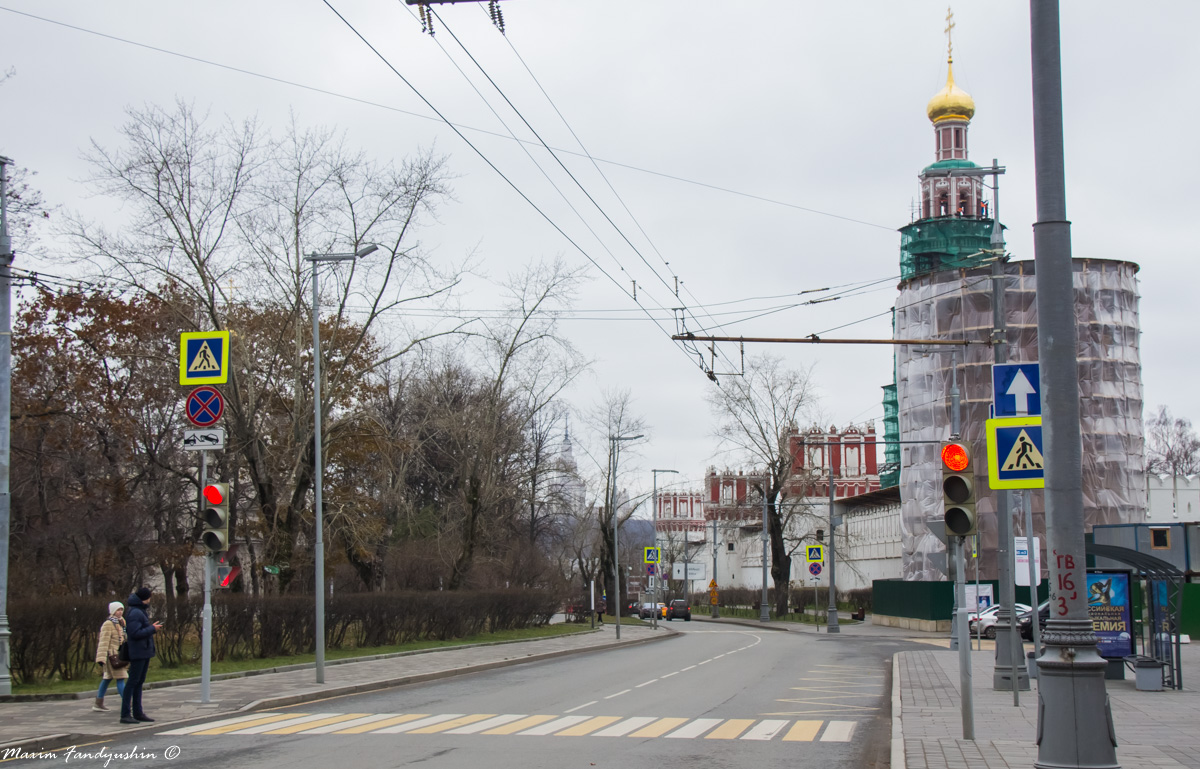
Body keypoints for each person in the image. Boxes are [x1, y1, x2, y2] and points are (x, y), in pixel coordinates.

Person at [119, 586, 163, 725]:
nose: (150, 600)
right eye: (149, 597)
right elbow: (135, 633)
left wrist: (150, 628)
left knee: (138, 682)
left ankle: (138, 712)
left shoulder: (139, 611)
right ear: (145, 598)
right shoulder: (136, 613)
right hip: (138, 651)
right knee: (133, 682)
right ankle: (125, 714)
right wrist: (152, 629)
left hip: (143, 651)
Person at [93, 601, 127, 712]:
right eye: (118, 610)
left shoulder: (121, 623)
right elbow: (104, 641)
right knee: (120, 678)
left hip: (119, 654)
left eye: (121, 609)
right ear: (112, 611)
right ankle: (127, 702)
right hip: (112, 656)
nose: (120, 612)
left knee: (107, 678)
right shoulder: (108, 624)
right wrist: (101, 658)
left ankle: (98, 703)